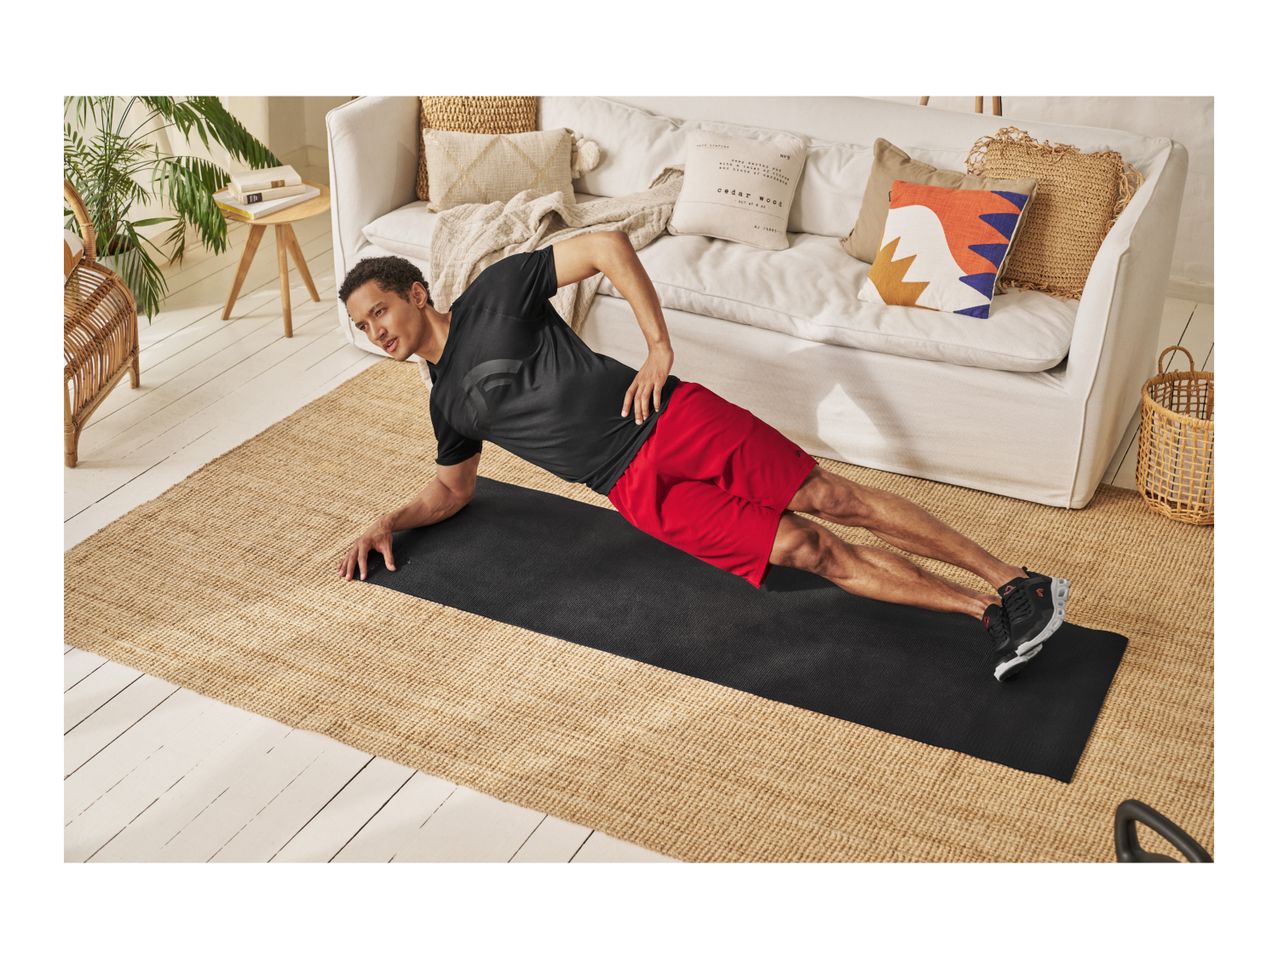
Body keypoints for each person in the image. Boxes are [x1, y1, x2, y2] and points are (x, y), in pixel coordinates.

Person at [335, 232, 1069, 682]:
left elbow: (606, 246)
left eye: (381, 311)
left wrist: (658, 346)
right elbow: (452, 490)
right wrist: (389, 519)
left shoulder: (496, 291)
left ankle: (1018, 581)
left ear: (417, 293)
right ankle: (988, 613)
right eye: (364, 326)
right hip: (632, 488)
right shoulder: (445, 405)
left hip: (670, 417)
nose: (376, 331)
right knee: (806, 549)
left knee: (830, 499)